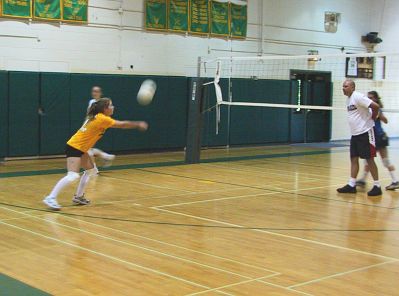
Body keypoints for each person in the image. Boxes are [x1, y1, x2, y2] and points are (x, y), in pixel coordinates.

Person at [43, 98, 148, 210]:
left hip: (82, 148)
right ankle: (51, 197)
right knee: (72, 175)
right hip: (74, 147)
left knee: (90, 170)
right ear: (105, 109)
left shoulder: (98, 117)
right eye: (111, 105)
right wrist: (138, 124)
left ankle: (78, 197)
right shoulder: (102, 118)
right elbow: (122, 125)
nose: (113, 107)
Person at [337, 80, 382, 196]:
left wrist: (373, 117)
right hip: (355, 134)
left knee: (369, 159)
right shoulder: (349, 99)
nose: (343, 88)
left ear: (352, 87)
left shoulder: (358, 96)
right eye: (343, 86)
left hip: (366, 132)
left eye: (346, 86)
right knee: (353, 158)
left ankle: (377, 186)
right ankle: (351, 185)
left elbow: (375, 106)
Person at [356, 91, 399, 190]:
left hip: (379, 137)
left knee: (385, 161)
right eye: (368, 97)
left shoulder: (376, 108)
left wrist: (379, 115)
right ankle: (363, 180)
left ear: (375, 98)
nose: (369, 99)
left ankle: (395, 180)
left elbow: (386, 120)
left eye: (371, 97)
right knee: (368, 160)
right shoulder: (367, 108)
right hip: (371, 138)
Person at [87, 86, 116, 174]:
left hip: (96, 129)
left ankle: (94, 169)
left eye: (97, 91)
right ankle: (106, 156)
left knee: (87, 149)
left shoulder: (104, 104)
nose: (95, 93)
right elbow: (89, 116)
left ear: (100, 93)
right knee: (88, 149)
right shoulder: (92, 102)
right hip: (89, 127)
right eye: (93, 91)